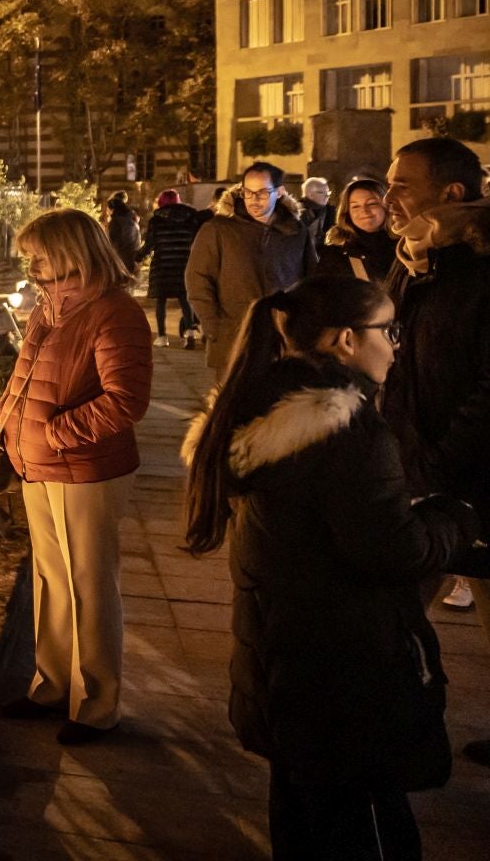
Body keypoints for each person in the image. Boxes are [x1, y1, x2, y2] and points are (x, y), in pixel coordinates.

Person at [182, 275, 480, 861]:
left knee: (301, 813)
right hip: (343, 671)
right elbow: (396, 550)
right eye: (388, 331)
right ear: (345, 340)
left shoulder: (261, 405)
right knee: (361, 825)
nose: (397, 346)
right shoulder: (347, 432)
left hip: (285, 659)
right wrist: (457, 518)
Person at [0, 209, 153, 744]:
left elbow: (126, 401)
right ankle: (52, 686)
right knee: (51, 581)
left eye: (39, 254)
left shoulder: (115, 314)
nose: (32, 264)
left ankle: (96, 704)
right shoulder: (49, 309)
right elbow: (27, 377)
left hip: (86, 471)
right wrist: (8, 426)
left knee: (89, 583)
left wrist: (58, 434)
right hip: (39, 466)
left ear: (68, 253)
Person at [381, 136, 490, 764]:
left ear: (451, 193)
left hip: (469, 471)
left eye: (401, 184)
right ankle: (390, 728)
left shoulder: (481, 262)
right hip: (414, 465)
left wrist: (443, 460)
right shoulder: (416, 256)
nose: (388, 195)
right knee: (392, 606)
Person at [185, 161, 317, 371]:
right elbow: (198, 279)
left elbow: (311, 280)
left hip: (284, 342)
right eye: (248, 192)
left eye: (263, 192)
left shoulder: (295, 231)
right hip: (234, 341)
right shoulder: (218, 229)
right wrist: (215, 328)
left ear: (280, 192)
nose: (254, 199)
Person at [139, 188, 204, 347]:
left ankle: (162, 336)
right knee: (184, 299)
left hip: (163, 265)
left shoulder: (157, 220)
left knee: (161, 301)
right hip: (184, 264)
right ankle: (189, 332)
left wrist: (139, 256)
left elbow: (150, 244)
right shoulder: (190, 218)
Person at [322, 177, 396, 285]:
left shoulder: (405, 246)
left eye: (372, 204)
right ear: (347, 212)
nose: (364, 211)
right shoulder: (335, 253)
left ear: (386, 206)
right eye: (355, 206)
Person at [104, 191, 142, 277]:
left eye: (108, 209)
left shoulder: (117, 222)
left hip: (121, 260)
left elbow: (112, 242)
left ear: (113, 209)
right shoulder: (131, 219)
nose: (107, 211)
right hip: (132, 258)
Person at [299, 175, 332, 257]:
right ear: (310, 194)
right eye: (323, 193)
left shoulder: (330, 212)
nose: (327, 196)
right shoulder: (296, 214)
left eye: (328, 193)